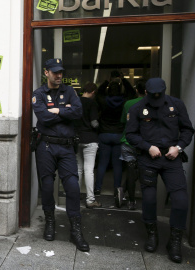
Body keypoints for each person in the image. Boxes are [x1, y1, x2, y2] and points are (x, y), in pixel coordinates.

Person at [125, 78, 194, 263]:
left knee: (180, 200)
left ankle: (175, 241)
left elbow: (188, 130)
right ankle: (152, 235)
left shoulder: (176, 105)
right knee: (148, 199)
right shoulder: (137, 108)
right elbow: (130, 134)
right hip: (148, 158)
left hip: (172, 158)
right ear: (146, 92)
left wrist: (178, 147)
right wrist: (147, 147)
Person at [32, 58, 89, 252]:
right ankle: (50, 222)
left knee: (73, 186)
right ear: (46, 72)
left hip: (66, 148)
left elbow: (79, 112)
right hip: (46, 146)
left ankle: (76, 229)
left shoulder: (70, 91)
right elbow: (44, 117)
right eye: (55, 72)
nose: (58, 75)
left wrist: (57, 110)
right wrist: (65, 112)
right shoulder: (39, 93)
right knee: (47, 186)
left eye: (61, 72)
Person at [95, 80, 127, 207]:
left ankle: (98, 188)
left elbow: (98, 94)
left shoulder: (104, 101)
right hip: (118, 134)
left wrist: (106, 82)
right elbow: (130, 92)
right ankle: (117, 189)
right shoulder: (123, 102)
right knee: (117, 164)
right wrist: (123, 80)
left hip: (104, 134)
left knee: (102, 163)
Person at [120, 79, 146, 210]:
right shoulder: (150, 104)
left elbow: (124, 121)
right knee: (142, 171)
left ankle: (131, 201)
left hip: (127, 141)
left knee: (131, 171)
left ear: (137, 91)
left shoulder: (128, 104)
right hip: (144, 143)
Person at [74, 82, 101, 208]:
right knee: (89, 170)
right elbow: (94, 123)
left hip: (78, 138)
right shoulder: (92, 103)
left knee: (78, 169)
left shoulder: (76, 101)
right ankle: (90, 200)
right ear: (93, 92)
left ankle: (76, 195)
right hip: (90, 139)